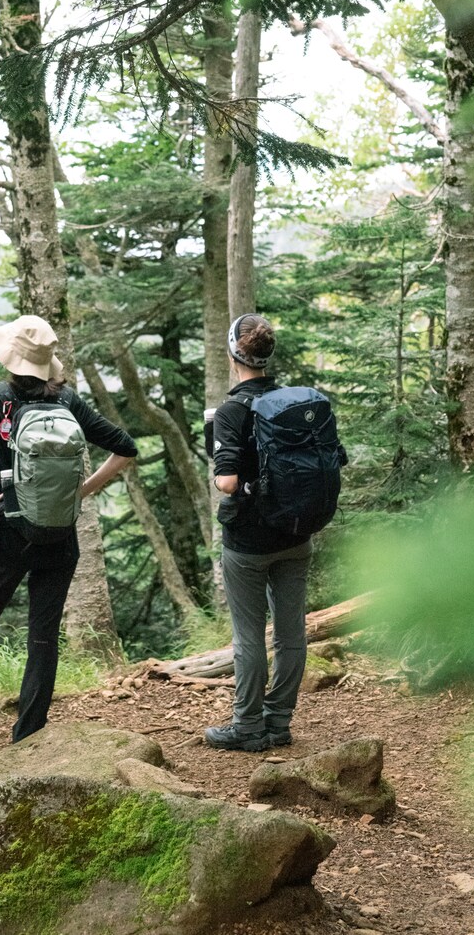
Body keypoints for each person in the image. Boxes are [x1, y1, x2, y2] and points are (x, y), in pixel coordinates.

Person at [0, 315, 137, 764]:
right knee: (43, 638)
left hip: (8, 536)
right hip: (59, 537)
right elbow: (125, 448)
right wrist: (81, 491)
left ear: (11, 360)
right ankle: (28, 742)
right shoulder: (68, 400)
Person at [203, 313, 312, 753]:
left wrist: (223, 475)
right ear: (268, 356)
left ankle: (247, 727)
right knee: (291, 634)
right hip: (296, 533)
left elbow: (227, 481)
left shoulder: (230, 411)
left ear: (234, 356)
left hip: (248, 542)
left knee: (248, 636)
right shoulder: (294, 403)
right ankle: (279, 722)